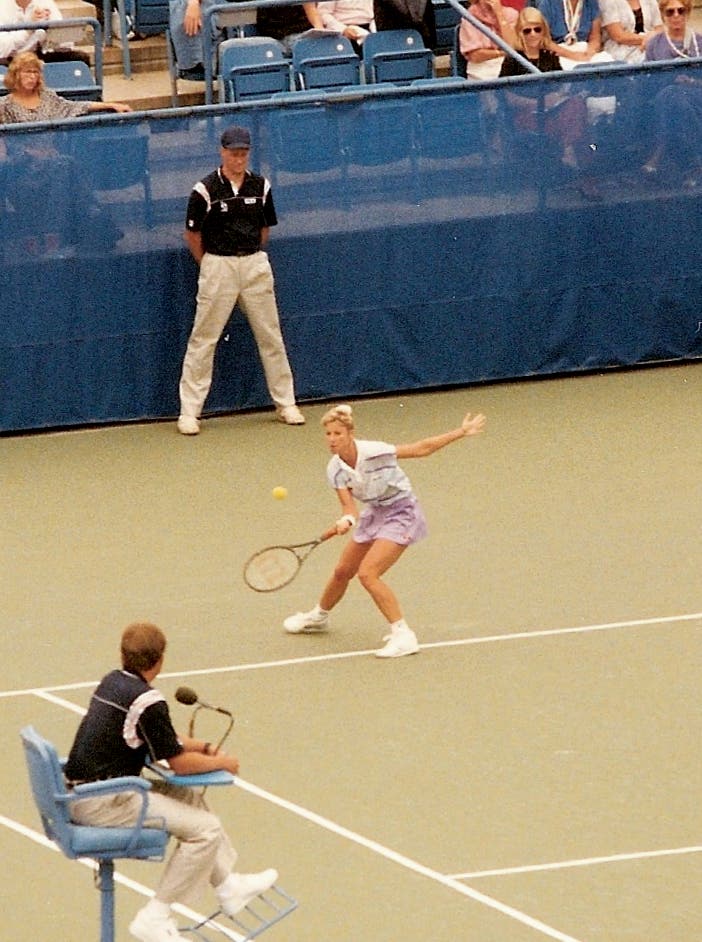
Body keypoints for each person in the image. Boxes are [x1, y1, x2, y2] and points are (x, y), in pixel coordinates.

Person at [64, 622, 278, 942]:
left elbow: (163, 741)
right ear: (159, 660)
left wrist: (203, 747)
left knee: (186, 797)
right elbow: (177, 763)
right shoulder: (148, 701)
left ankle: (227, 886)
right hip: (104, 801)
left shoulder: (112, 683)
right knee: (206, 829)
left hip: (82, 792)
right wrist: (222, 762)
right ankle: (155, 916)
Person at [283, 404, 487, 658]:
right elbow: (350, 507)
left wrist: (461, 432)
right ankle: (319, 616)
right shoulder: (334, 469)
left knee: (368, 573)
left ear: (350, 433)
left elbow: (421, 448)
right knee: (342, 571)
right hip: (374, 513)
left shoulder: (374, 452)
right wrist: (346, 519)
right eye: (328, 434)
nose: (332, 440)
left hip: (402, 512)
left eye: (338, 433)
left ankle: (404, 636)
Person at [177, 125, 304, 435]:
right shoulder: (204, 190)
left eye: (243, 153)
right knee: (204, 339)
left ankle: (286, 403)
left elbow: (264, 229)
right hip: (217, 266)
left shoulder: (261, 186)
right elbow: (192, 234)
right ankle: (189, 412)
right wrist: (209, 263)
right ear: (222, 152)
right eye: (233, 153)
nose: (238, 159)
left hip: (254, 265)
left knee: (270, 335)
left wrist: (250, 257)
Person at [499, 7, 598, 186]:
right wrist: (536, 102)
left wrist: (556, 96)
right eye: (527, 30)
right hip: (528, 114)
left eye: (537, 29)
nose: (533, 34)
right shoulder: (512, 59)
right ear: (520, 32)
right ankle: (586, 178)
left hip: (553, 111)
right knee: (582, 134)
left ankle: (578, 166)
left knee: (577, 104)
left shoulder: (549, 56)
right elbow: (507, 97)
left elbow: (559, 86)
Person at [642, 0, 702, 185]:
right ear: (663, 15)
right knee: (673, 97)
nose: (676, 16)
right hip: (667, 98)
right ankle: (696, 164)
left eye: (680, 11)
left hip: (696, 94)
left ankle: (658, 153)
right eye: (670, 12)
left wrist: (691, 81)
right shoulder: (654, 43)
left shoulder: (699, 41)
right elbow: (648, 79)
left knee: (674, 96)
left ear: (687, 13)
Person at [0, 51, 131, 121]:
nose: (32, 77)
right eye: (28, 72)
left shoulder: (47, 96)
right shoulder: (4, 104)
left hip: (53, 153)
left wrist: (111, 105)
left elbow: (76, 106)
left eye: (36, 72)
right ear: (16, 75)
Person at [0, 0, 90, 65]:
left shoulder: (45, 3)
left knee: (80, 59)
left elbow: (65, 46)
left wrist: (51, 28)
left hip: (37, 55)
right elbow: (2, 50)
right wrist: (29, 29)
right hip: (10, 59)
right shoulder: (2, 6)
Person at [459, 0, 519, 79]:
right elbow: (475, 55)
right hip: (481, 70)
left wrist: (499, 14)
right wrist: (503, 53)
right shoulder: (469, 17)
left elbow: (512, 46)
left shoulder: (512, 14)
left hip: (510, 66)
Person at [528, 0, 603, 62]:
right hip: (557, 53)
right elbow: (544, 40)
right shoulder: (547, 3)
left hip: (584, 51)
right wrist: (572, 55)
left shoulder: (591, 2)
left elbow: (595, 37)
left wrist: (589, 53)